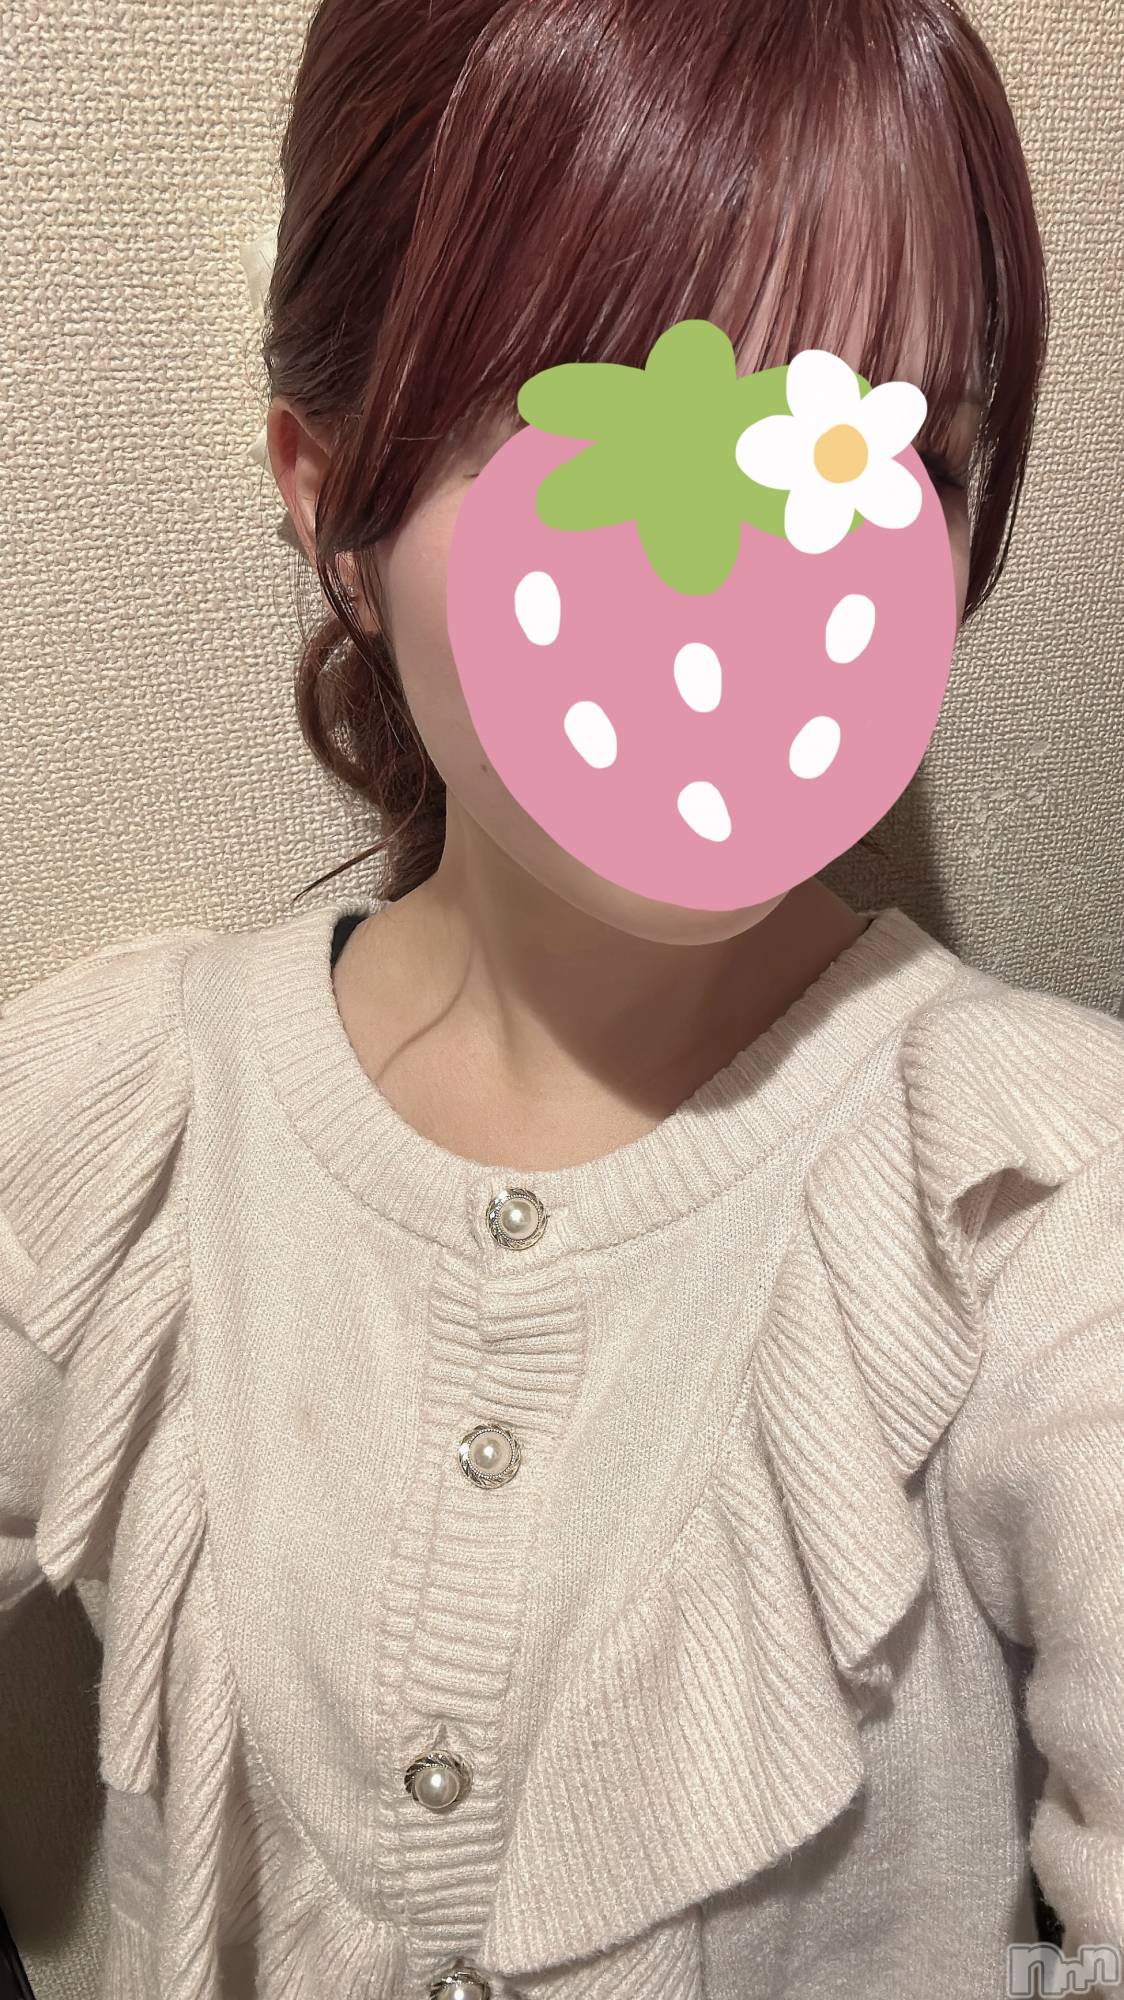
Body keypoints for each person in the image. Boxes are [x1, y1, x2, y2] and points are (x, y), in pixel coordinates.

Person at [3, 1, 1123, 1996]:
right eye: (624, 429)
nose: (755, 578)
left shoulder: (1042, 1203)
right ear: (327, 495)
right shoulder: (114, 1122)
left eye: (874, 454)